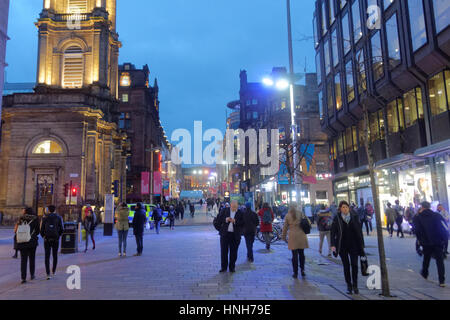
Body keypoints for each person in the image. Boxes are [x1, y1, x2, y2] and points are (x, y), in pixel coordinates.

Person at [331, 201, 365, 295]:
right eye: (343, 207)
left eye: (346, 207)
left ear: (349, 208)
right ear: (340, 209)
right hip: (342, 246)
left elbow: (359, 231)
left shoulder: (354, 216)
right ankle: (349, 286)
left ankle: (355, 285)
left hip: (354, 245)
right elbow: (333, 232)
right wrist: (333, 245)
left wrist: (362, 245)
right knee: (346, 266)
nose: (345, 209)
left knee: (354, 265)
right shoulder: (337, 218)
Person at [414, 201, 447, 287]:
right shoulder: (437, 215)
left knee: (426, 258)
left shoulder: (418, 217)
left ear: (422, 207)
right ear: (429, 207)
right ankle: (441, 280)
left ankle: (425, 273)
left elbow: (417, 231)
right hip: (438, 241)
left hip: (426, 242)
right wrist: (444, 239)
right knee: (440, 261)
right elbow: (444, 227)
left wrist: (419, 241)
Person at [213, 200, 244, 273]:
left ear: (237, 206)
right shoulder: (224, 211)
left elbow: (243, 223)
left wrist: (235, 221)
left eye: (235, 207)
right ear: (230, 205)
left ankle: (232, 267)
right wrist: (225, 220)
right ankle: (223, 267)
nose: (234, 208)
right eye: (233, 206)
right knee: (224, 252)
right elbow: (218, 220)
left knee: (234, 252)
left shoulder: (240, 213)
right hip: (225, 235)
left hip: (235, 235)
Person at [282, 205, 310, 278]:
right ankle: (302, 270)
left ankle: (295, 272)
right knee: (301, 254)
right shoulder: (301, 213)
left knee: (294, 255)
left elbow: (285, 228)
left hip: (293, 236)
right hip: (301, 235)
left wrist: (283, 237)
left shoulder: (288, 215)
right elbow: (309, 222)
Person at [15, 207, 40, 284]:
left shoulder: (21, 218)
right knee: (32, 258)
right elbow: (38, 231)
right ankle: (32, 274)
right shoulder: (35, 219)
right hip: (32, 241)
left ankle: (23, 278)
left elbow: (16, 229)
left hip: (22, 241)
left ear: (25, 212)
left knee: (23, 260)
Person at [40, 205, 64, 280]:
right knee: (55, 255)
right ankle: (53, 270)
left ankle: (48, 273)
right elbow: (62, 229)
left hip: (47, 239)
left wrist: (43, 236)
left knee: (47, 256)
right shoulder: (59, 217)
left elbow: (41, 229)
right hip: (55, 239)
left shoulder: (44, 218)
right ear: (55, 210)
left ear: (48, 210)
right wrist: (58, 236)